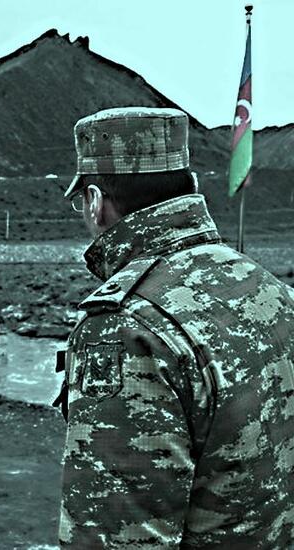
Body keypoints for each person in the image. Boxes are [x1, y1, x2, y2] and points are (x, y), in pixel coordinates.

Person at [55, 106, 294, 548]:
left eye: (81, 202)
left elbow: (120, 534)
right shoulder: (268, 287)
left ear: (95, 201)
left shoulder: (125, 326)